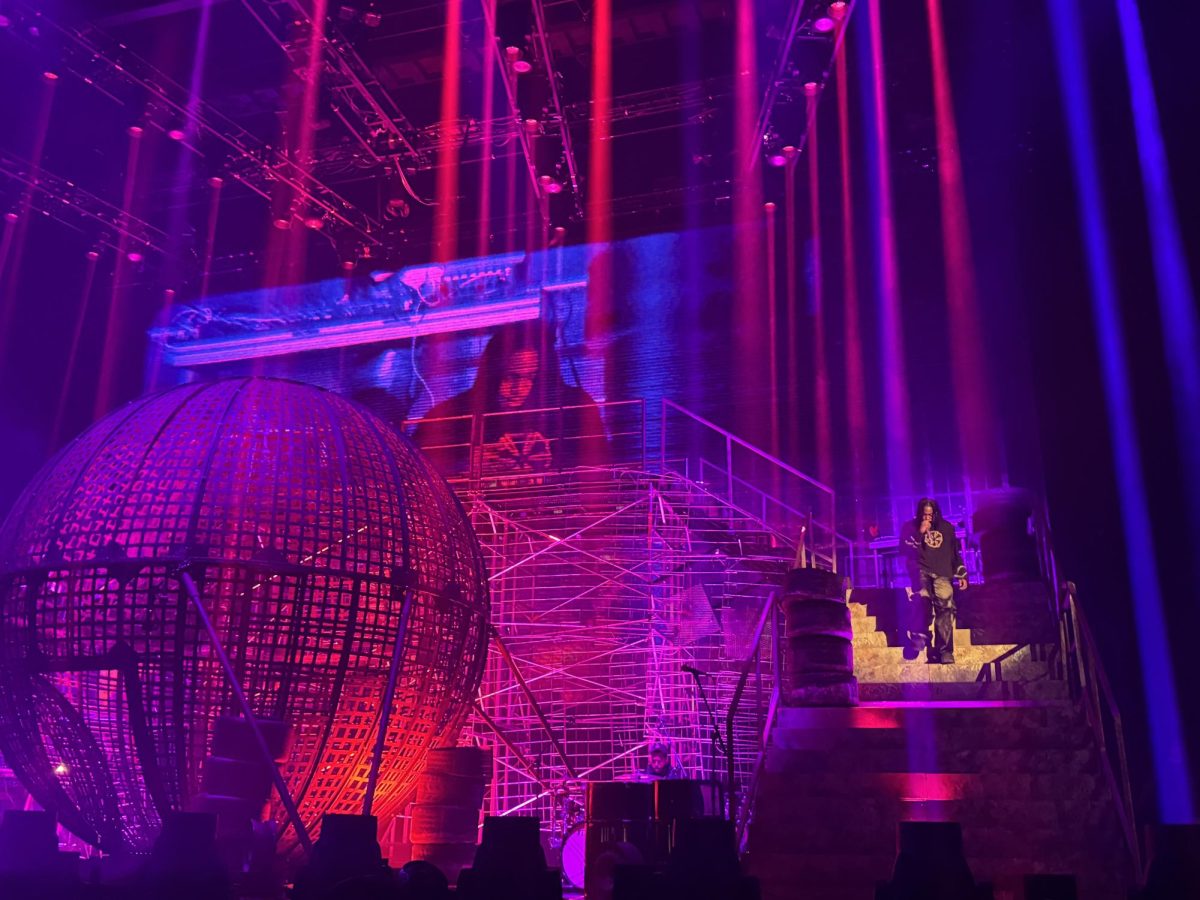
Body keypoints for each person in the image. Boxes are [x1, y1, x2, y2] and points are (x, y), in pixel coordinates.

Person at [413, 320, 607, 476]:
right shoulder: (448, 418)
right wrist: (464, 467)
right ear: (492, 373)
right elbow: (414, 472)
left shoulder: (575, 408)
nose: (519, 388)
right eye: (510, 376)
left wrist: (553, 461)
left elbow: (601, 468)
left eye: (531, 377)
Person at [899, 497, 968, 664]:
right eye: (925, 514)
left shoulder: (947, 528)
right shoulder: (910, 526)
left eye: (931, 514)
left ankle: (944, 650)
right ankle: (920, 635)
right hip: (921, 569)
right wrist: (919, 533)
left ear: (936, 513)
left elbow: (954, 555)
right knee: (922, 596)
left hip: (943, 572)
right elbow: (904, 550)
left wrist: (962, 574)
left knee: (946, 607)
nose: (928, 517)